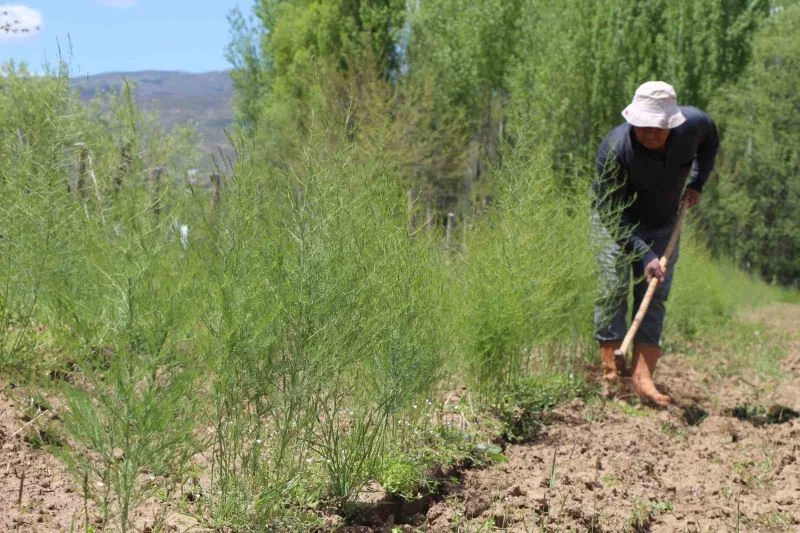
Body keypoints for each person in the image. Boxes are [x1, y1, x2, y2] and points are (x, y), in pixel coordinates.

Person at [592, 81, 719, 407]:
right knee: (612, 287)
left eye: (658, 127)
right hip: (616, 221)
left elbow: (711, 139)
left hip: (663, 222)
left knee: (655, 294)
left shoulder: (694, 125)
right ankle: (611, 374)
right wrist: (644, 254)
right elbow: (609, 213)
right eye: (643, 126)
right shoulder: (614, 150)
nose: (650, 133)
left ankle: (642, 379)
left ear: (671, 123)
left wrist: (697, 183)